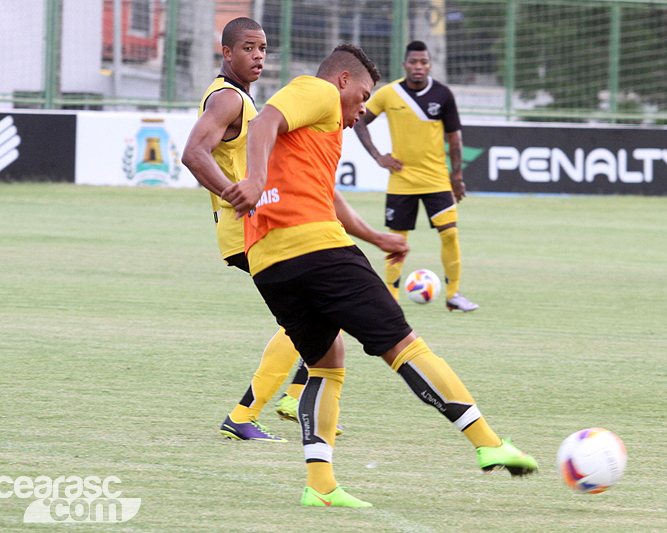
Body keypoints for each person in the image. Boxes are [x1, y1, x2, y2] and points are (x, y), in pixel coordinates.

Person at [221, 44, 537, 508]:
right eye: (364, 95)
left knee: (326, 364)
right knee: (404, 345)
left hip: (270, 262)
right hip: (317, 250)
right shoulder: (319, 92)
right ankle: (487, 443)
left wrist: (375, 237)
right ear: (343, 80)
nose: (362, 109)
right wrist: (253, 179)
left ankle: (320, 486)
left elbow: (326, 196)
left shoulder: (315, 133)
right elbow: (265, 120)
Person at [181, 17, 347, 443]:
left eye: (263, 49)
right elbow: (193, 153)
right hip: (246, 229)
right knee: (315, 308)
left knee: (323, 310)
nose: (258, 56)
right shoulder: (228, 99)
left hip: (250, 226)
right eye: (248, 48)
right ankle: (253, 411)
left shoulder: (237, 98)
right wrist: (235, 195)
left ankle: (287, 398)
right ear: (226, 53)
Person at [353, 40, 478, 312]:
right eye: (413, 62)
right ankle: (390, 299)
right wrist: (378, 156)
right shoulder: (389, 93)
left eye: (423, 62)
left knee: (450, 234)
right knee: (397, 241)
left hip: (436, 180)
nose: (418, 66)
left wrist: (457, 177)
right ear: (405, 65)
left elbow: (455, 138)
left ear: (430, 65)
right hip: (401, 180)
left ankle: (454, 294)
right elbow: (359, 120)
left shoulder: (443, 94)